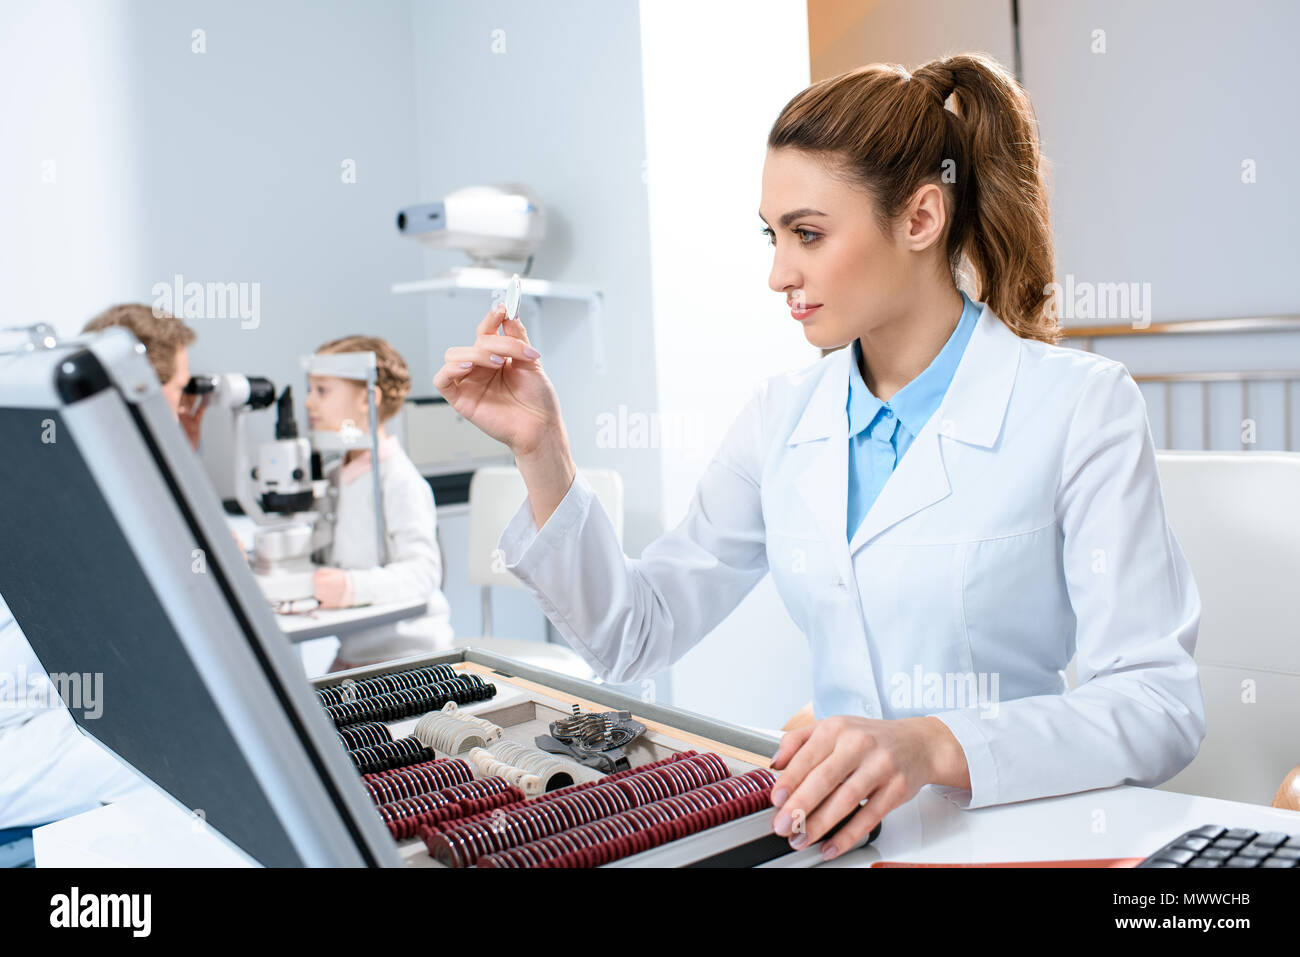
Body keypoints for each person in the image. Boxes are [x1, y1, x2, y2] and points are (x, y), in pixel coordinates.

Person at [432, 52, 1205, 862]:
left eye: (807, 233)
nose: (777, 273)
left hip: (1018, 835)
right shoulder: (782, 414)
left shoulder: (1081, 405)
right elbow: (635, 632)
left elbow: (1158, 703)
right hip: (837, 841)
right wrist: (542, 448)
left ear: (919, 219)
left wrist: (933, 744)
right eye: (773, 236)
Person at [0, 303, 205, 847]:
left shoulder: (51, 463)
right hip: (19, 748)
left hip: (46, 718)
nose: (184, 404)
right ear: (138, 387)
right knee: (186, 746)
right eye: (180, 388)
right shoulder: (56, 492)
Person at [305, 335, 455, 671]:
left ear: (367, 399)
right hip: (356, 653)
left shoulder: (400, 480)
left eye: (322, 390)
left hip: (411, 658)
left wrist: (350, 587)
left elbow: (423, 573)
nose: (308, 402)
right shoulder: (335, 476)